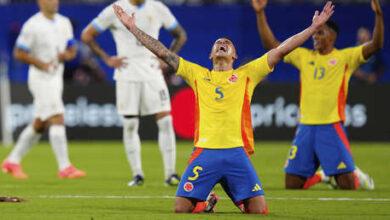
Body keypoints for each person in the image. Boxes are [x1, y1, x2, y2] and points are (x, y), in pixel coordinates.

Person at [113, 1, 334, 213]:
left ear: (234, 56)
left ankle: (230, 188)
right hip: (204, 152)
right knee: (181, 208)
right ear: (211, 55)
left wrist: (312, 27)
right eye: (218, 43)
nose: (222, 44)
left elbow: (282, 49)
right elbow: (162, 51)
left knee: (258, 210)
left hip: (236, 153)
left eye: (227, 44)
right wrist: (133, 28)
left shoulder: (247, 74)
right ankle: (207, 201)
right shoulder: (197, 74)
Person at [253, 0, 384, 190]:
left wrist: (379, 15)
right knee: (292, 184)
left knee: (348, 186)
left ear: (333, 36)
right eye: (314, 33)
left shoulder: (346, 57)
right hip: (305, 126)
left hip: (331, 125)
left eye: (320, 33)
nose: (315, 37)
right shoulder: (304, 56)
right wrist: (260, 13)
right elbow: (271, 45)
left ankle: (357, 176)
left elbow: (376, 44)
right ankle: (323, 176)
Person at [81, 0, 187, 186]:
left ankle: (170, 174)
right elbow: (87, 35)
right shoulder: (115, 9)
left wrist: (167, 59)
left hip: (152, 72)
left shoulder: (157, 8)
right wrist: (107, 59)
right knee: (130, 125)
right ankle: (137, 174)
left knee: (166, 121)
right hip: (127, 73)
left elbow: (180, 35)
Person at [1, 0, 85, 179]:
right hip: (40, 78)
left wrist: (66, 55)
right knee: (57, 116)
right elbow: (19, 52)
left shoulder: (64, 22)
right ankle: (65, 167)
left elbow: (72, 49)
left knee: (40, 124)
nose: (55, 2)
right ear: (40, 2)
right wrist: (41, 64)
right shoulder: (33, 25)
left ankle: (12, 161)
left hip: (56, 77)